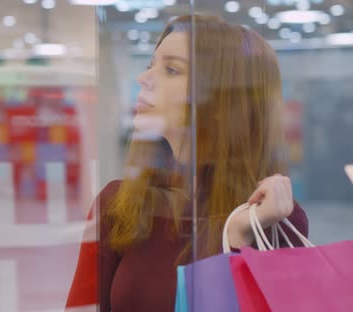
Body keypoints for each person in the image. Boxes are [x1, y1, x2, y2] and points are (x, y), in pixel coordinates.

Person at [65, 15, 309, 312]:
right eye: (150, 65)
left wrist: (236, 239)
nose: (144, 78)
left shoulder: (275, 220)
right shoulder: (120, 204)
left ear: (222, 99)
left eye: (171, 69)